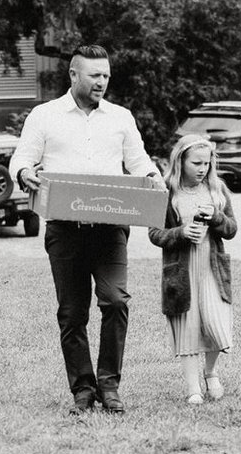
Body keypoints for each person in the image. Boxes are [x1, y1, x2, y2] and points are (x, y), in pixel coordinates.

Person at [9, 45, 159, 413]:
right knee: (72, 313)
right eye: (95, 75)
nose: (102, 82)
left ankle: (109, 385)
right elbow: (22, 159)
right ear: (74, 75)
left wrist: (153, 177)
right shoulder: (44, 116)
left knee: (116, 301)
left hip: (111, 227)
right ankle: (82, 389)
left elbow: (138, 161)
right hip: (64, 228)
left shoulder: (121, 117)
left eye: (106, 75)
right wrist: (26, 173)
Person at [149, 136, 237, 404]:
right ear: (181, 161)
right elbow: (154, 233)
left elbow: (232, 229)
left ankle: (210, 372)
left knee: (217, 324)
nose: (202, 169)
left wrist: (216, 218)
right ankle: (193, 388)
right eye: (196, 163)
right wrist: (182, 232)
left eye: (206, 164)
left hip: (212, 268)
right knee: (187, 327)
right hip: (181, 271)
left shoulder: (217, 189)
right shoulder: (167, 191)